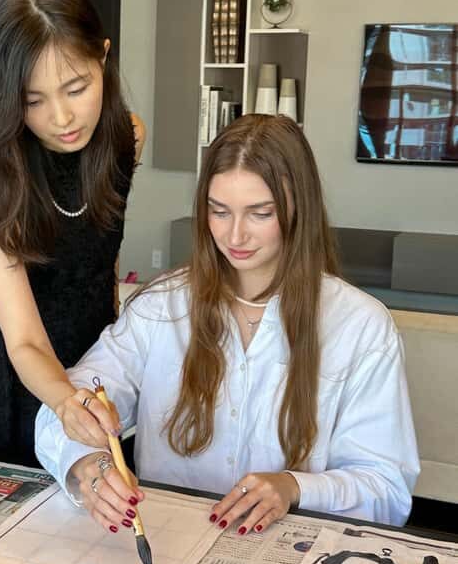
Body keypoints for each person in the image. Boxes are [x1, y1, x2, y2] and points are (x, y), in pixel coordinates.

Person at [35, 114, 419, 534]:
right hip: (169, 545)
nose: (235, 236)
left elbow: (387, 490)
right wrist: (87, 463)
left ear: (299, 210)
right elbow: (65, 407)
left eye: (260, 214)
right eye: (219, 212)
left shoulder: (360, 326)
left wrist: (294, 488)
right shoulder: (162, 308)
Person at [0, 0, 145, 466]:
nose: (62, 118)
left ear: (103, 57)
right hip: (3, 364)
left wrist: (108, 363)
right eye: (34, 101)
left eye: (76, 87)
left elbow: (100, 257)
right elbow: (24, 340)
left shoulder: (126, 139)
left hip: (85, 355)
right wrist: (65, 399)